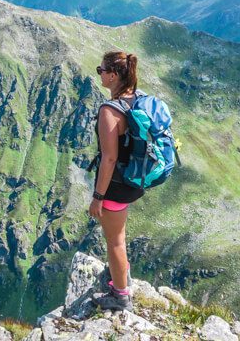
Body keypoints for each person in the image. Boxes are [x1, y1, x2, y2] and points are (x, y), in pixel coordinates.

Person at [89, 50, 144, 311]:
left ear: (112, 75)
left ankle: (121, 296)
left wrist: (97, 198)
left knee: (115, 242)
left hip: (116, 186)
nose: (99, 74)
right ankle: (123, 277)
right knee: (118, 235)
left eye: (101, 71)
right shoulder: (139, 99)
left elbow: (109, 159)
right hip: (134, 180)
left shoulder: (110, 111)